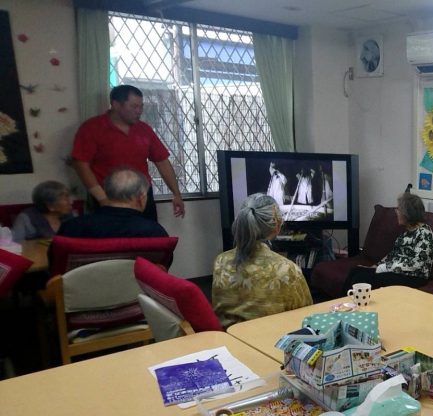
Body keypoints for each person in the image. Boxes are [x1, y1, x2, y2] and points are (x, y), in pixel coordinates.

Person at [71, 84, 185, 221]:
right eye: (134, 106)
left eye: (141, 106)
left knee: (147, 237)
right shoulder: (92, 128)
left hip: (141, 197)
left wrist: (176, 194)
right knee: (113, 240)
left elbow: (162, 162)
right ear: (116, 105)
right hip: (108, 196)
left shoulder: (144, 129)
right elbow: (81, 164)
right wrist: (102, 198)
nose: (139, 111)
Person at [212, 193, 312, 328]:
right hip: (270, 343)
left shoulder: (221, 261)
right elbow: (306, 316)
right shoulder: (287, 270)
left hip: (229, 341)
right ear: (277, 226)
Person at [342, 192, 433, 294]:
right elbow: (392, 255)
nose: (396, 212)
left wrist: (385, 268)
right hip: (397, 271)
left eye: (399, 209)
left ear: (408, 213)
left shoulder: (425, 233)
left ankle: (351, 307)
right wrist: (374, 266)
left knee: (362, 278)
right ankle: (341, 306)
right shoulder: (407, 231)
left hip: (413, 276)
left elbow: (416, 264)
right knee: (355, 271)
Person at [55, 166, 168, 238]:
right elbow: (161, 267)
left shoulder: (71, 227)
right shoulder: (153, 232)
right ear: (141, 197)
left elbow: (57, 263)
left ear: (106, 192)